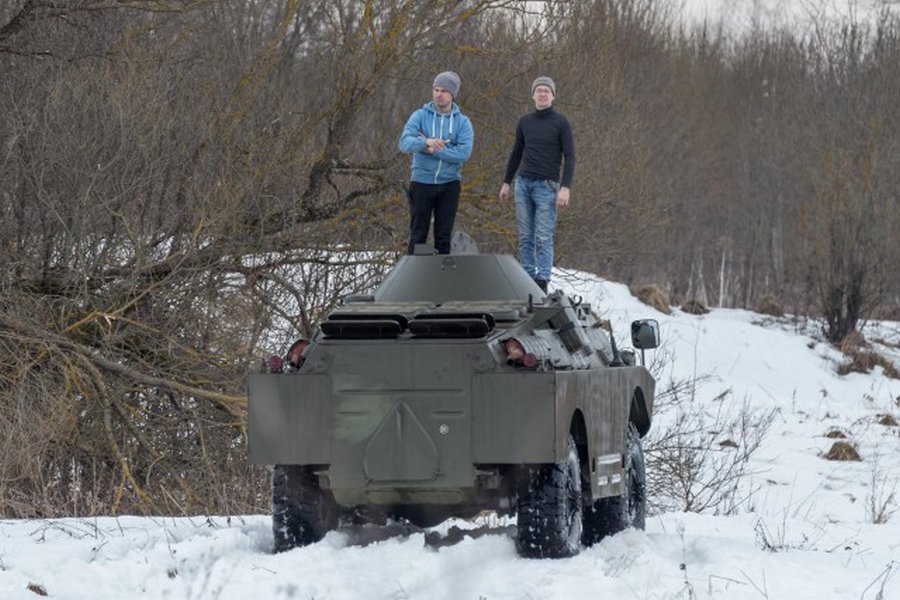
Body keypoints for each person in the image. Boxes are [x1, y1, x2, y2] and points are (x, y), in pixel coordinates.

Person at [499, 76, 575, 292]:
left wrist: (565, 187)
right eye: (539, 90)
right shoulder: (524, 122)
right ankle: (527, 282)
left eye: (546, 91)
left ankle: (542, 282)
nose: (542, 94)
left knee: (543, 236)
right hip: (523, 184)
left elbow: (570, 156)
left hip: (547, 186)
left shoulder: (561, 123)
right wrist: (506, 182)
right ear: (533, 95)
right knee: (525, 236)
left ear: (553, 95)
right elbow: (515, 153)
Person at [398, 71, 475, 254]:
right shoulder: (419, 115)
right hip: (421, 182)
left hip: (449, 184)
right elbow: (404, 143)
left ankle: (443, 279)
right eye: (436, 89)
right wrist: (425, 143)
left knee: (443, 237)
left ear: (452, 95)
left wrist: (436, 150)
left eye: (444, 91)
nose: (438, 94)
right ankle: (415, 278)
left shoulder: (463, 123)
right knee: (418, 235)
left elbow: (463, 153)